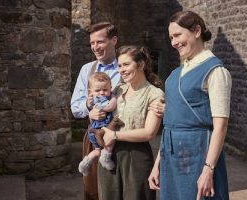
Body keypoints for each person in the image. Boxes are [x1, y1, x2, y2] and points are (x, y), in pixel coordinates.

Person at [148, 10, 232, 200]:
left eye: (177, 35)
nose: (173, 42)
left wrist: (208, 170)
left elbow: (221, 126)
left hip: (198, 152)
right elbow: (172, 121)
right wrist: (158, 163)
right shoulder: (175, 73)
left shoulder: (216, 71)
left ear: (196, 31)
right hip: (171, 153)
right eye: (171, 37)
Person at [97, 45, 164, 200]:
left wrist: (114, 135)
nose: (121, 69)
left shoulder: (154, 94)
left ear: (140, 65)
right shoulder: (117, 90)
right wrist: (93, 111)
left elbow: (149, 133)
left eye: (126, 64)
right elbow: (99, 110)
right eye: (119, 65)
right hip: (109, 156)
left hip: (136, 158)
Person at [70, 21, 120, 200]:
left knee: (117, 192)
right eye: (92, 43)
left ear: (113, 40)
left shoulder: (126, 67)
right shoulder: (87, 69)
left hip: (122, 138)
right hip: (94, 138)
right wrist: (88, 110)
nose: (95, 47)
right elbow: (75, 106)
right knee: (93, 192)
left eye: (99, 42)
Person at [78, 72, 118, 176]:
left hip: (92, 130)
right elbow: (111, 107)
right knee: (111, 141)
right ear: (90, 91)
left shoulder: (94, 100)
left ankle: (85, 163)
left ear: (110, 87)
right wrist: (109, 101)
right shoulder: (106, 99)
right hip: (102, 130)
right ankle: (106, 158)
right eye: (97, 90)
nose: (101, 93)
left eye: (105, 90)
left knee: (97, 151)